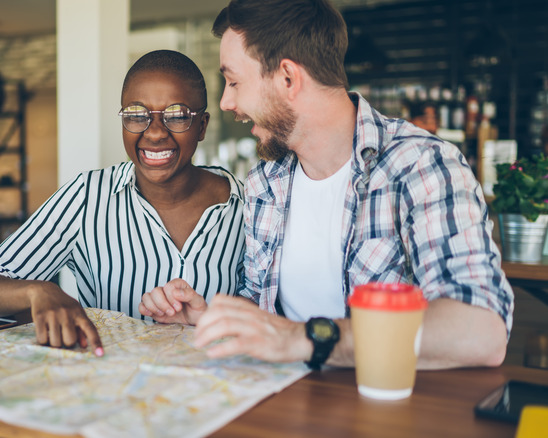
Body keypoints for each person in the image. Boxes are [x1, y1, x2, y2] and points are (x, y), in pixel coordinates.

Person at [140, 0, 513, 370]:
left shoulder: (421, 166)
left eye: (234, 81)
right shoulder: (265, 183)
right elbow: (268, 313)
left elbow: (482, 331)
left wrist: (310, 340)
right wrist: (213, 320)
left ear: (288, 78)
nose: (225, 102)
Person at [0, 50, 245, 356]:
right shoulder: (87, 196)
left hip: (211, 391)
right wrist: (39, 290)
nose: (156, 132)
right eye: (137, 114)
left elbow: (265, 316)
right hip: (112, 391)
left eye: (176, 116)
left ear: (202, 126)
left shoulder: (245, 206)